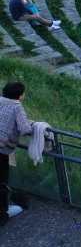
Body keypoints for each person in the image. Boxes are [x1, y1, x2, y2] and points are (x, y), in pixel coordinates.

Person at [0, 81, 34, 224]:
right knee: (2, 182)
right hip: (2, 149)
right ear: (19, 96)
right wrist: (34, 126)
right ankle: (2, 214)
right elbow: (25, 129)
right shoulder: (16, 107)